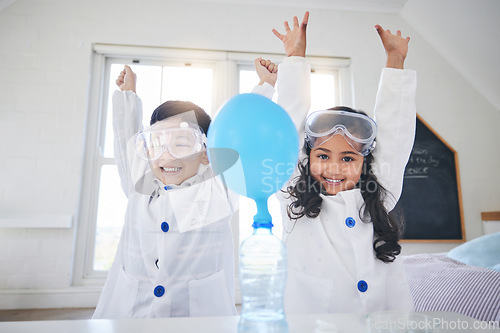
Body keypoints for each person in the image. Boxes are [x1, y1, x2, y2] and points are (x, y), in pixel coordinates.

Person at [254, 12, 416, 314]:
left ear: (365, 162)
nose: (334, 167)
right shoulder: (294, 195)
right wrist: (295, 58)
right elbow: (290, 124)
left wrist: (395, 60)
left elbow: (395, 135)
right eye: (323, 156)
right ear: (307, 157)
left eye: (348, 158)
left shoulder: (381, 193)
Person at [92, 66, 238, 318]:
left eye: (181, 143)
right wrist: (128, 95)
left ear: (206, 151)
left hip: (197, 317)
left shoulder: (216, 194)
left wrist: (264, 87)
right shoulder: (140, 187)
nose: (167, 155)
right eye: (157, 144)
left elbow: (241, 139)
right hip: (134, 313)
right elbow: (126, 137)